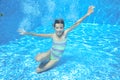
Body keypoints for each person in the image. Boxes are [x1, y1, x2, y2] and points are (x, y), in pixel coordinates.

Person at [18, 6, 95, 73]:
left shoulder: (65, 33)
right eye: (57, 28)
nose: (59, 30)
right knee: (37, 59)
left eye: (61, 27)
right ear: (54, 28)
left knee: (38, 70)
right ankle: (43, 57)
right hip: (50, 52)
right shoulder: (52, 35)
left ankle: (44, 59)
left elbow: (77, 23)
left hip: (55, 58)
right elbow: (39, 35)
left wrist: (87, 14)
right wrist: (26, 33)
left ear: (63, 27)